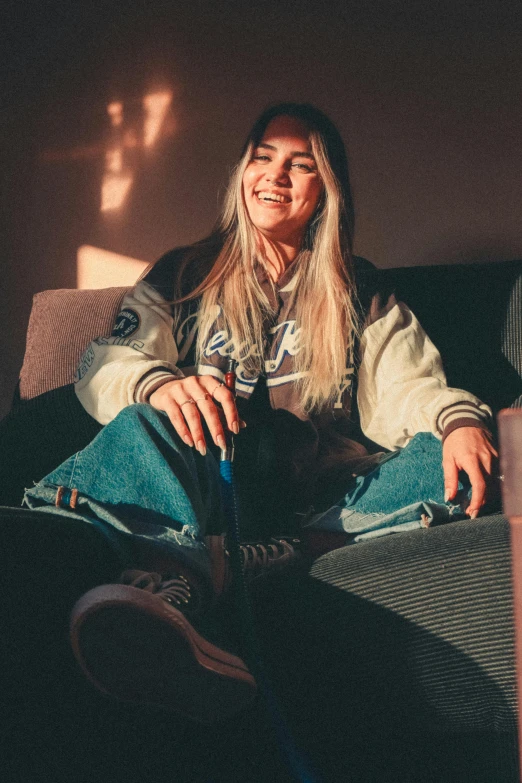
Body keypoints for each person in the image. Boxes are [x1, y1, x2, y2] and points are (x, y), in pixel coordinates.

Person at [24, 103, 498, 724]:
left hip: (329, 501)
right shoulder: (185, 272)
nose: (275, 176)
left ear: (324, 191)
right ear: (241, 173)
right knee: (142, 422)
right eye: (262, 158)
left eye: (300, 165)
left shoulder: (360, 288)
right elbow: (107, 359)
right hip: (208, 497)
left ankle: (257, 560)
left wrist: (459, 421)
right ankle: (176, 583)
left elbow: (412, 389)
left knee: (460, 456)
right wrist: (160, 386)